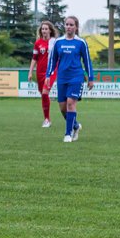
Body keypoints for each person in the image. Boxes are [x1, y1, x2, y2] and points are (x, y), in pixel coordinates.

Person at [44, 14, 93, 143]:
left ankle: (68, 134)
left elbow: (87, 61)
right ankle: (75, 126)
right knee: (62, 107)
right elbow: (52, 61)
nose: (69, 27)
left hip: (76, 77)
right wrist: (48, 75)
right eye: (67, 24)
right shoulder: (58, 42)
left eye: (71, 25)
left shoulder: (81, 43)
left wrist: (90, 77)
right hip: (62, 78)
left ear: (76, 27)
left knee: (71, 103)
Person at [27, 20, 59, 128]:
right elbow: (34, 59)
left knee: (45, 93)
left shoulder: (55, 42)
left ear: (50, 30)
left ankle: (46, 120)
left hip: (51, 71)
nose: (44, 31)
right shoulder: (38, 43)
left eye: (46, 29)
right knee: (43, 95)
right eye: (43, 29)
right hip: (40, 72)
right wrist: (30, 72)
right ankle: (47, 118)